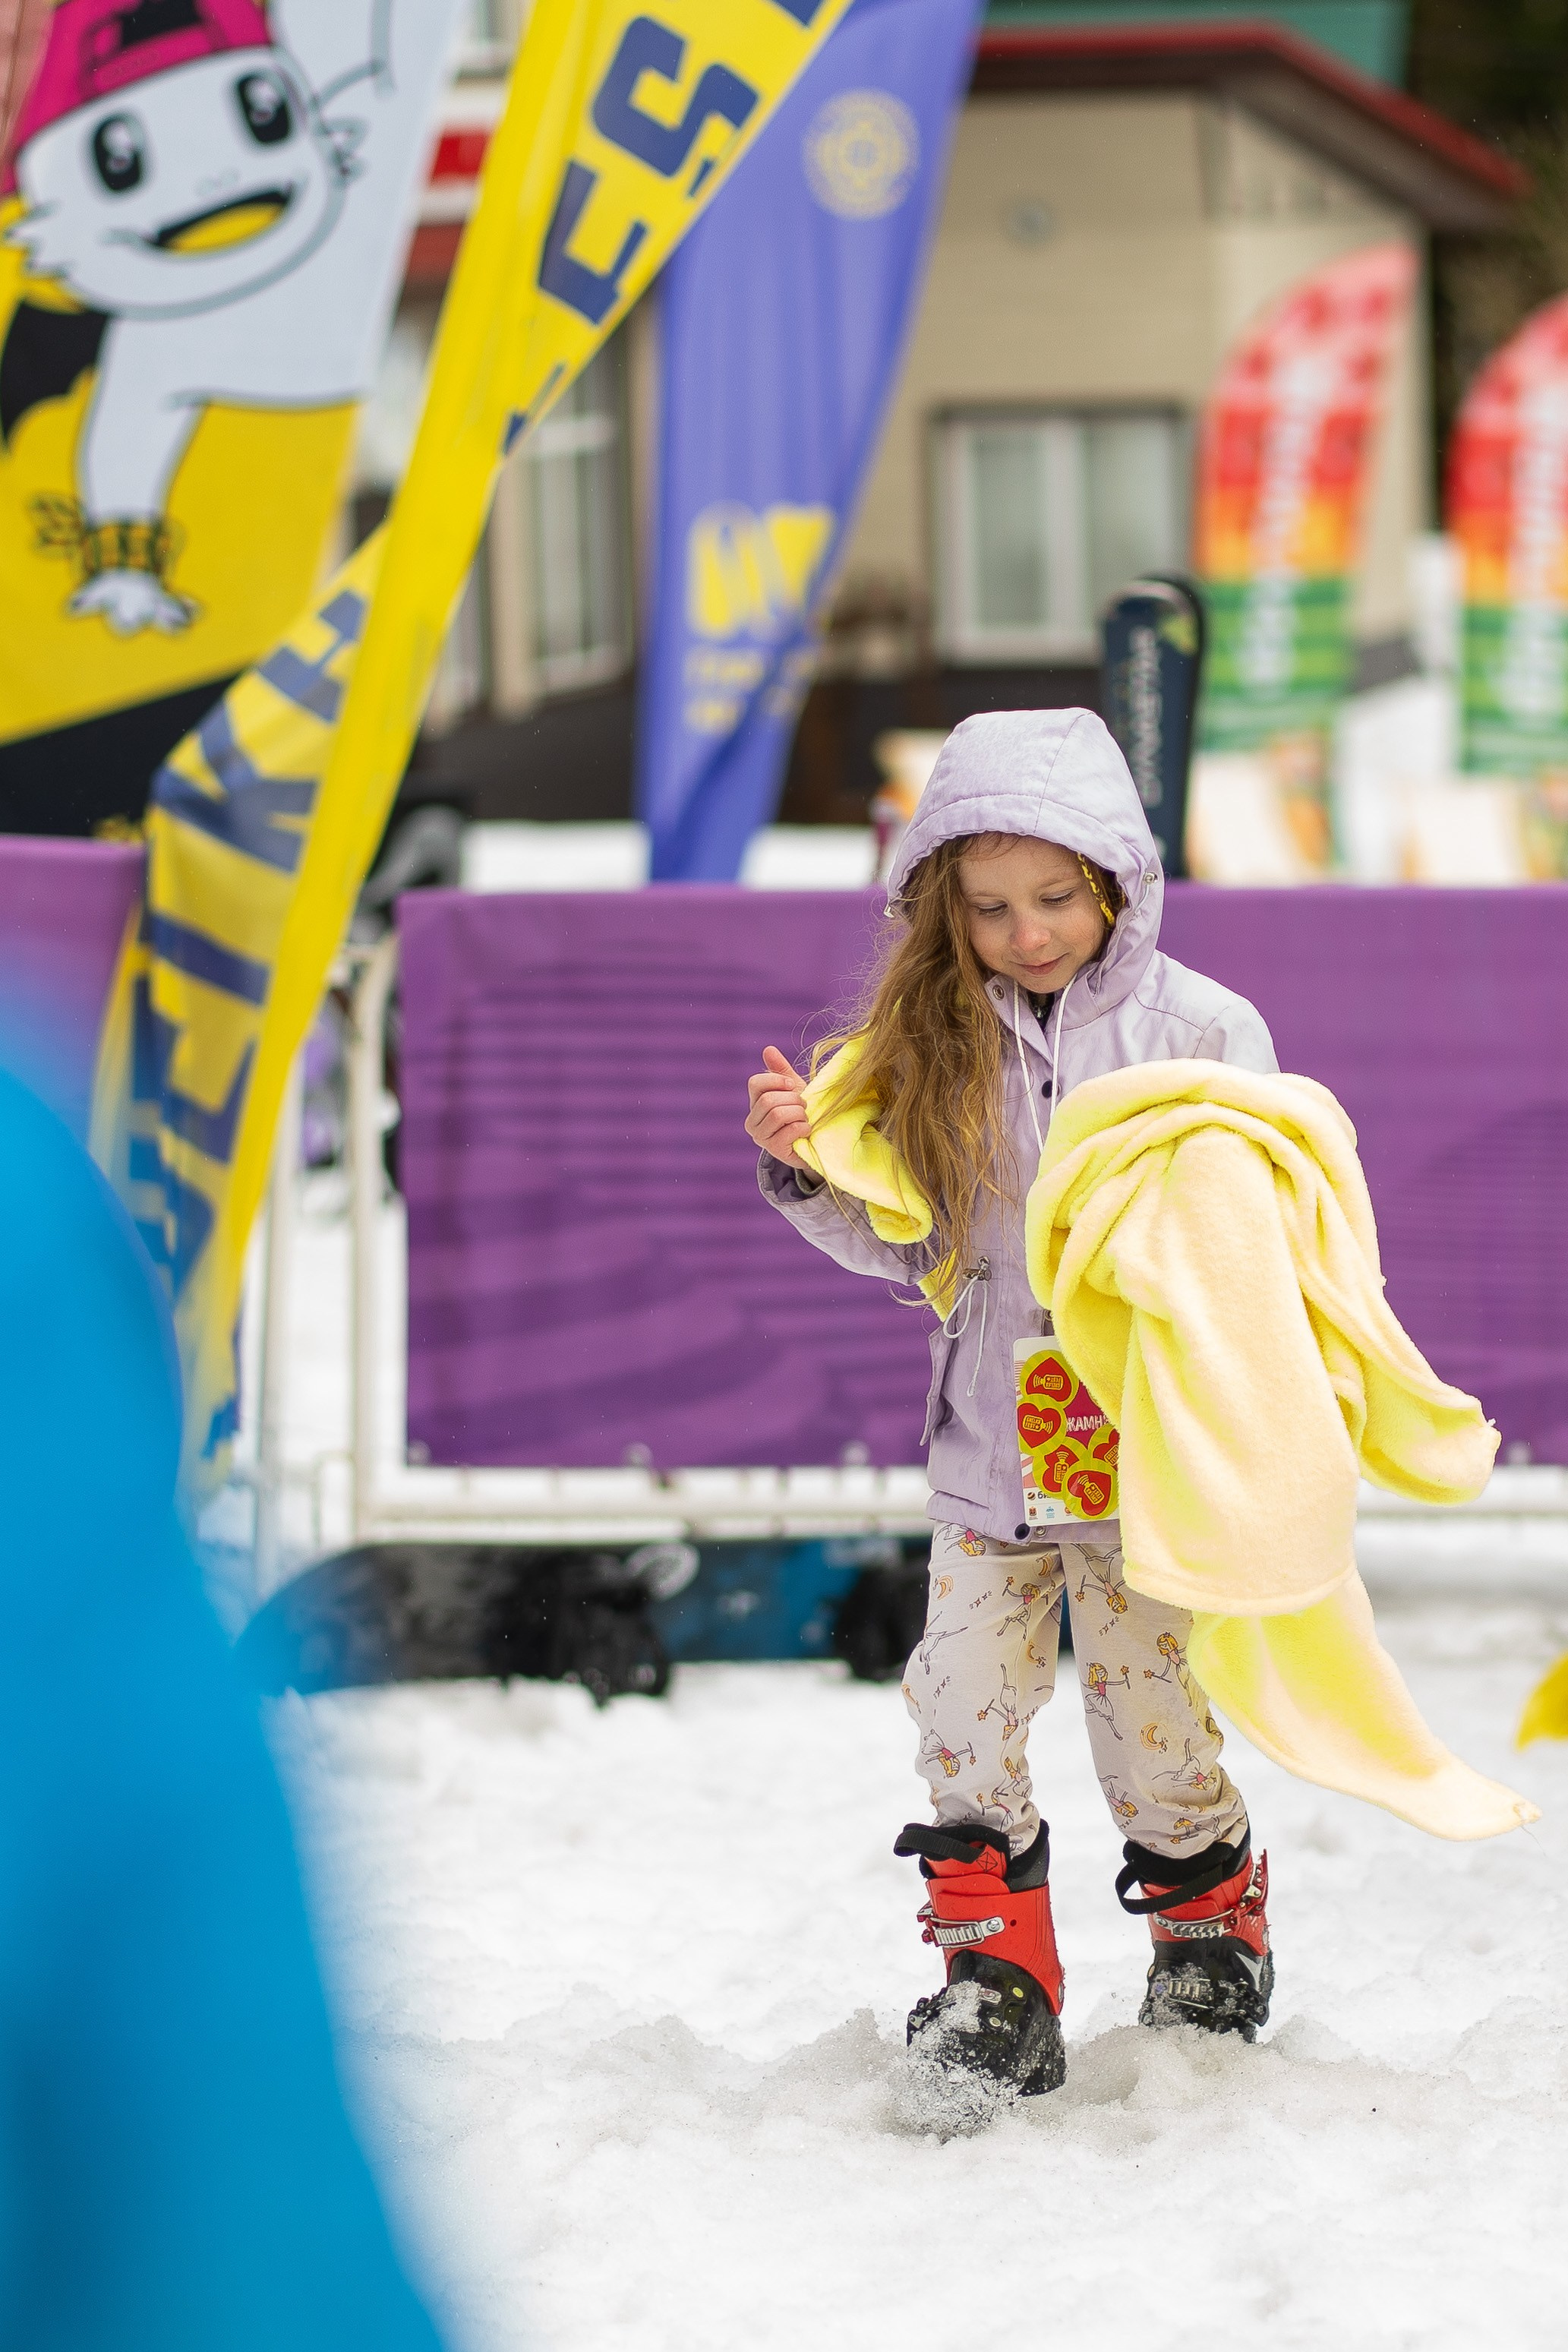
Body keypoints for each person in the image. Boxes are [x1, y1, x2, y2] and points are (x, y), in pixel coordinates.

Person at [745, 708, 1276, 2101]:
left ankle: (1206, 1928)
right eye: (987, 906)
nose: (1026, 931)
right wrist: (816, 1169)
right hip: (990, 1455)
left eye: (1053, 897)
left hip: (1135, 1455)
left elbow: (1261, 1228)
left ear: (1116, 882)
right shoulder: (926, 1042)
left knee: (1144, 1720)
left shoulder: (1201, 1029)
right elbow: (914, 1239)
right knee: (961, 1713)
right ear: (941, 906)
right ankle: (995, 1983)